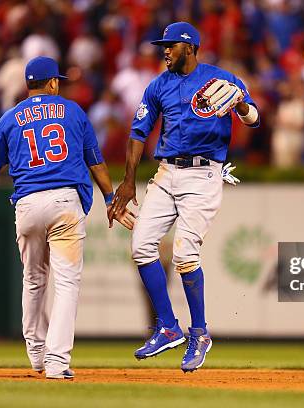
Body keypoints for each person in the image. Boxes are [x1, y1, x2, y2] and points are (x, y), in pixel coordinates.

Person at [108, 21, 259, 372]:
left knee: (184, 254)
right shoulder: (158, 85)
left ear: (189, 47)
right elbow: (137, 132)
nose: (165, 50)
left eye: (171, 45)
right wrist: (129, 182)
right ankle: (167, 327)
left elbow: (253, 119)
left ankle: (200, 333)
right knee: (141, 246)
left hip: (205, 174)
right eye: (164, 45)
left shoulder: (221, 78)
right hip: (166, 172)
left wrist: (240, 105)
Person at [0, 56, 133, 380]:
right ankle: (56, 362)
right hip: (65, 201)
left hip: (26, 204)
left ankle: (36, 354)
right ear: (52, 83)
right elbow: (96, 162)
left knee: (34, 279)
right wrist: (110, 198)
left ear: (28, 84)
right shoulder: (74, 111)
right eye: (58, 81)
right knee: (66, 284)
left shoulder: (10, 118)